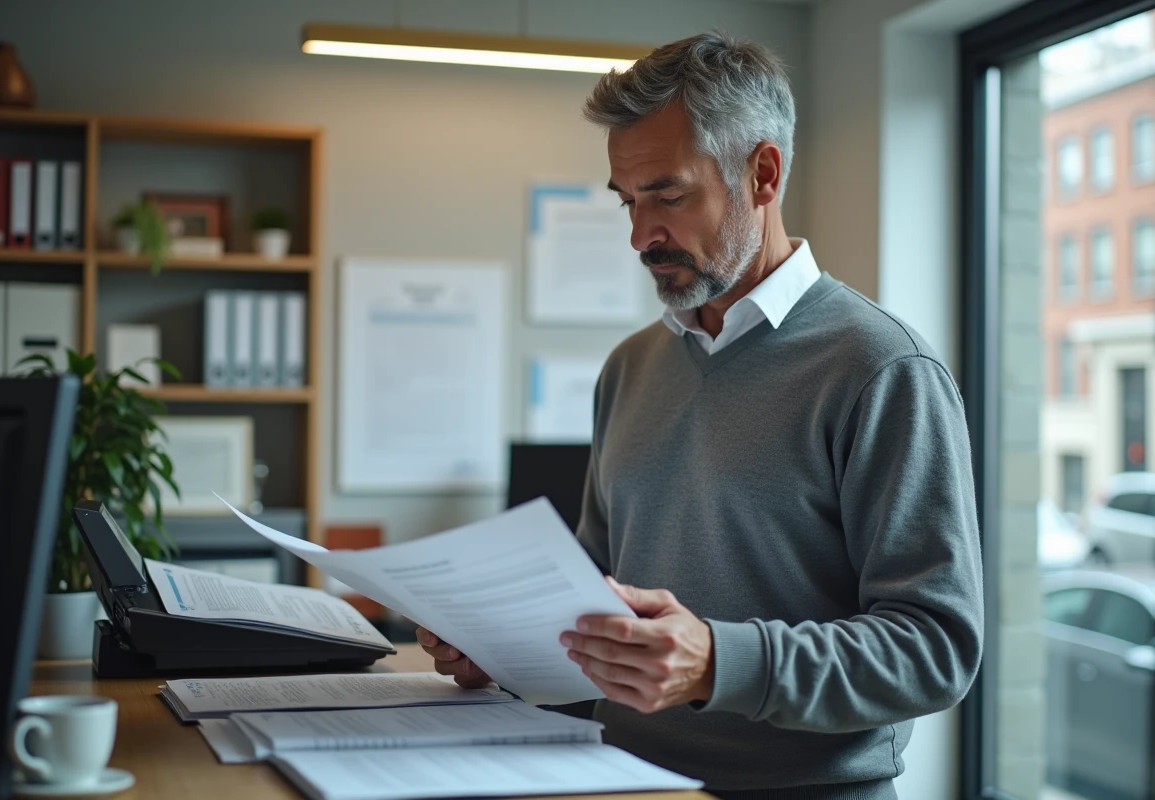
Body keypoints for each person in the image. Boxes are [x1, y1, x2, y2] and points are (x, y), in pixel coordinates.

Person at [418, 31, 983, 800]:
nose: (640, 235)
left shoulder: (882, 370)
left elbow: (935, 648)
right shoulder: (630, 369)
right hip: (620, 781)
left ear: (763, 173)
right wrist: (508, 648)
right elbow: (596, 593)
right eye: (629, 200)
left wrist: (719, 663)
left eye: (668, 195)